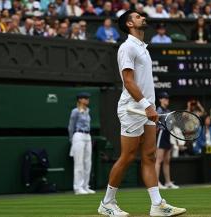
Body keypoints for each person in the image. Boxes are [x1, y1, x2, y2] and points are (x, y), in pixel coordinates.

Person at [98, 10, 186, 217]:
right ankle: (107, 203)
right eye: (138, 17)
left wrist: (149, 107)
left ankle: (157, 205)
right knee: (128, 156)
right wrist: (147, 105)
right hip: (132, 108)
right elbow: (128, 81)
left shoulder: (142, 48)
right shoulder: (127, 47)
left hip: (146, 109)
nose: (143, 18)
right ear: (129, 24)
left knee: (149, 155)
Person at [68, 92, 96, 195]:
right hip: (78, 135)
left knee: (88, 162)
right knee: (78, 163)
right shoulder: (75, 111)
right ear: (80, 100)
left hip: (87, 136)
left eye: (88, 98)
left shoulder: (88, 111)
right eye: (85, 98)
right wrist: (72, 140)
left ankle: (85, 186)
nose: (87, 100)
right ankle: (78, 187)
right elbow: (71, 126)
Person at [155, 92, 179, 190]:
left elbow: (172, 124)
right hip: (161, 133)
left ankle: (168, 182)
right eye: (164, 98)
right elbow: (155, 123)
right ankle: (156, 183)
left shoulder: (168, 111)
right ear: (160, 100)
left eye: (167, 98)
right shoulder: (158, 110)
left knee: (167, 160)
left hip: (168, 134)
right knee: (159, 160)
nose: (166, 100)